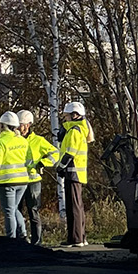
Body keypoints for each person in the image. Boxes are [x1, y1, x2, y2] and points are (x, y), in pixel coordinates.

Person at [0, 111, 34, 241]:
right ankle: (23, 235)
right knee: (14, 209)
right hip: (23, 181)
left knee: (9, 212)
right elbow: (29, 162)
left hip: (7, 183)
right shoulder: (23, 141)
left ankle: (11, 239)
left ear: (3, 126)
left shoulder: (0, 142)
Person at [15, 108, 59, 244]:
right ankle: (20, 239)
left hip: (33, 182)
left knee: (33, 211)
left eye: (21, 125)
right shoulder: (14, 140)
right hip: (18, 180)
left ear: (28, 125)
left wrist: (43, 163)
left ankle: (36, 241)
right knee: (17, 211)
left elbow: (55, 153)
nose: (18, 127)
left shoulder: (39, 141)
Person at [57, 101, 94, 246]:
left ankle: (76, 238)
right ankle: (78, 237)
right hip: (75, 172)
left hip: (72, 172)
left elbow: (70, 152)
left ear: (75, 115)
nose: (65, 119)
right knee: (76, 205)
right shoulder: (78, 130)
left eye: (66, 116)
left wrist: (60, 167)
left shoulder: (74, 131)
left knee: (74, 206)